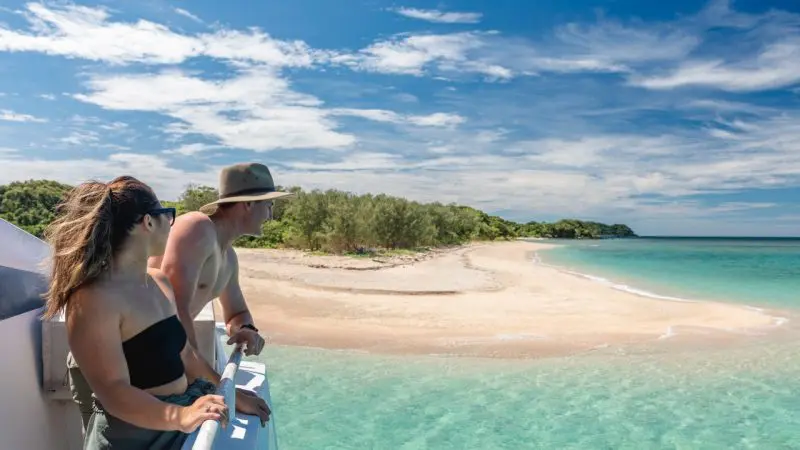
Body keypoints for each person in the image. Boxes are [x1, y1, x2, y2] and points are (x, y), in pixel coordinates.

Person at [43, 176, 270, 449]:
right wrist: (180, 416)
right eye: (168, 215)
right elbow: (113, 390)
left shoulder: (159, 283)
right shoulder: (93, 299)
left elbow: (185, 353)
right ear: (148, 222)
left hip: (171, 424)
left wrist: (223, 390)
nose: (171, 224)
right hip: (132, 435)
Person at [148, 162, 293, 359]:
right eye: (269, 206)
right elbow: (174, 309)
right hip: (134, 354)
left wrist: (246, 328)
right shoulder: (197, 228)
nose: (270, 215)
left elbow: (236, 313)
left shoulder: (229, 258)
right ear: (248, 204)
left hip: (162, 352)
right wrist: (200, 376)